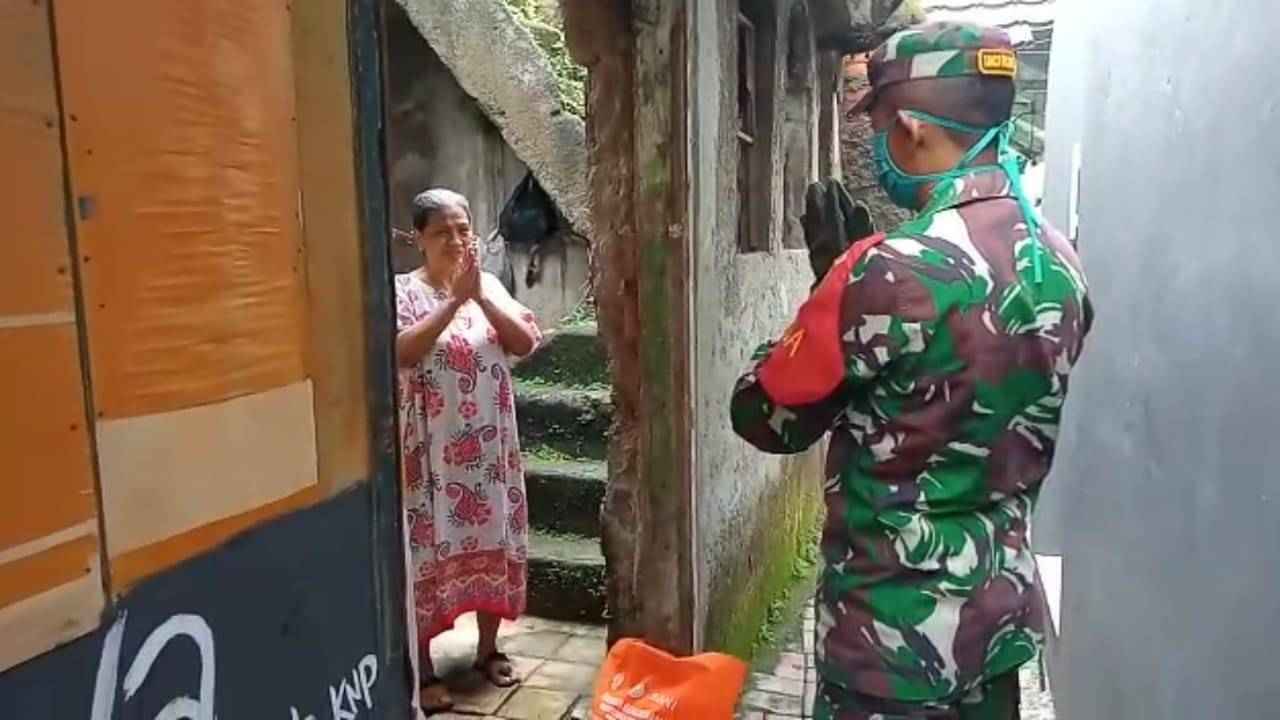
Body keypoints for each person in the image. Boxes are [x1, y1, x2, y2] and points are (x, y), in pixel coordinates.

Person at [731, 23, 1092, 720]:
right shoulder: (1060, 261)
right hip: (996, 631)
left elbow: (765, 418)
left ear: (914, 129)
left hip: (891, 649)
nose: (880, 144)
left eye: (881, 128)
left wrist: (830, 295)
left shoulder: (887, 269)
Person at [395, 188, 541, 713]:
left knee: (494, 539)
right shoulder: (402, 291)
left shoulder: (491, 286)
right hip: (430, 458)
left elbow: (524, 343)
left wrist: (479, 296)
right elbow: (402, 351)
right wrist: (454, 301)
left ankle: (488, 649)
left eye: (463, 230)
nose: (455, 241)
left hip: (489, 452)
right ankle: (423, 667)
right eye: (441, 232)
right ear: (419, 239)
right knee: (424, 553)